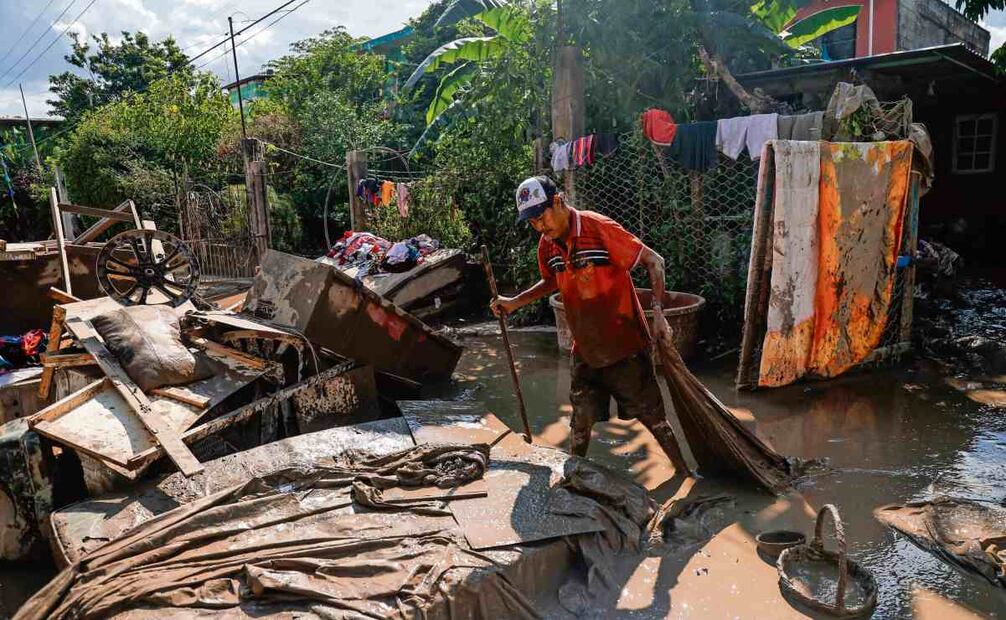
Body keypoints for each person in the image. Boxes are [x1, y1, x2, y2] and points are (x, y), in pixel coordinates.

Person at [491, 176, 691, 475]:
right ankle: (574, 477)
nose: (540, 227)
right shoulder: (547, 246)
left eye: (541, 217)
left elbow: (655, 261)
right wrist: (513, 302)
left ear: (557, 202)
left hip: (625, 345)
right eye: (532, 222)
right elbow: (551, 281)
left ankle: (685, 474)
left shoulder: (598, 228)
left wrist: (659, 314)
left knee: (654, 419)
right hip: (584, 348)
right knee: (580, 423)